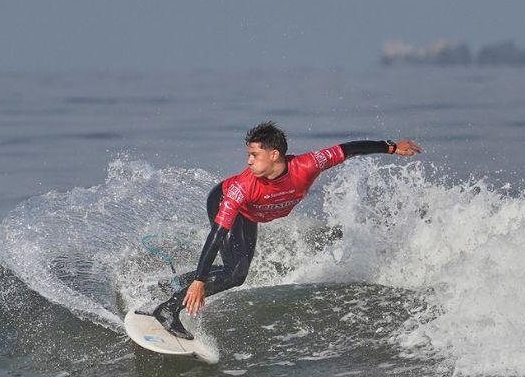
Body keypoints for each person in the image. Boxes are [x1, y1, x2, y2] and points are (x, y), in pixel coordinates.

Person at [145, 121, 422, 339]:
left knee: (235, 273)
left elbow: (348, 149)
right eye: (248, 155)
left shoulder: (308, 165)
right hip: (227, 203)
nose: (249, 161)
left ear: (274, 154)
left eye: (254, 155)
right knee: (234, 273)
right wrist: (201, 280)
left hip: (250, 215)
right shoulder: (242, 186)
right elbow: (216, 235)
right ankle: (169, 308)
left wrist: (391, 148)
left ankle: (176, 283)